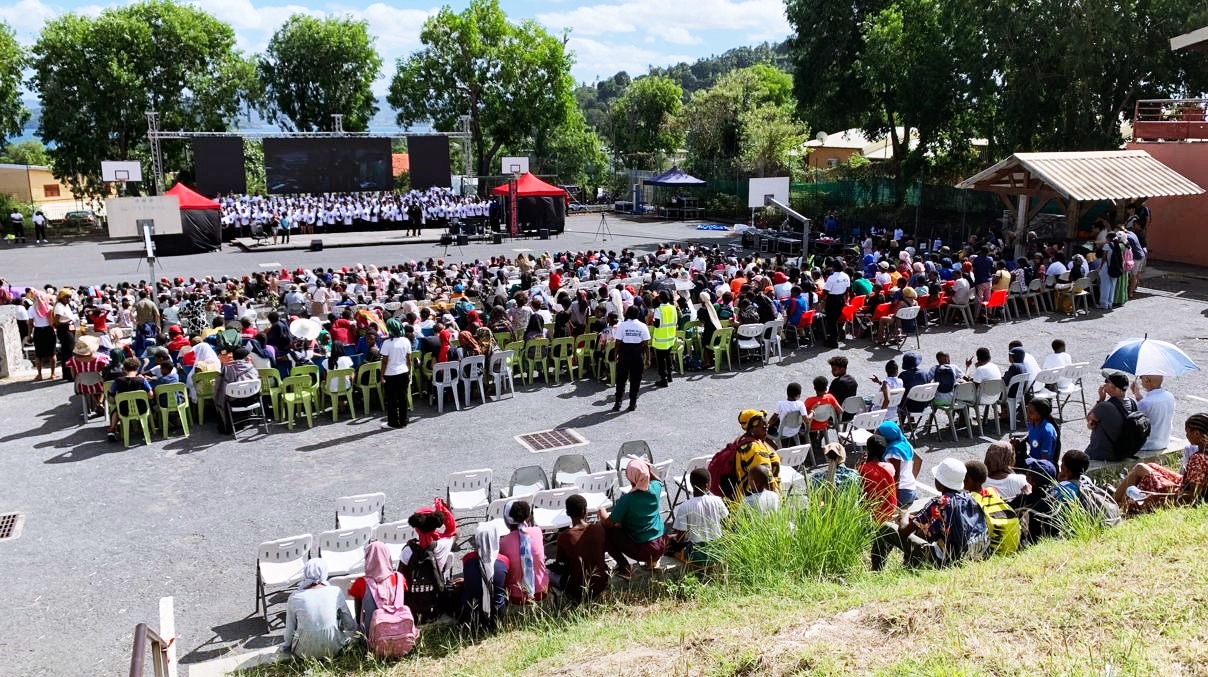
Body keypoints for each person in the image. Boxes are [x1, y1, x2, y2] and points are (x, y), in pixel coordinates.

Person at [871, 458, 989, 569]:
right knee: (920, 529)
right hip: (970, 556)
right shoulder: (970, 499)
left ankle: (876, 570)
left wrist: (905, 514)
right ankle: (908, 566)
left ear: (941, 482)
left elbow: (903, 532)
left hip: (945, 561)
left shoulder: (939, 502)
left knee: (887, 528)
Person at [1113, 413, 1208, 510]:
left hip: (1177, 493)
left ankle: (1117, 505)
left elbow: (1193, 495)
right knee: (1151, 465)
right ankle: (1117, 499)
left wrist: (1159, 495)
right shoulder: (1204, 453)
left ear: (1197, 433)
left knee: (1139, 468)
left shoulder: (1199, 459)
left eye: (1188, 432)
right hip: (1182, 484)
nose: (1186, 435)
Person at [599, 458, 666, 579]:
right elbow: (659, 480)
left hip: (644, 550)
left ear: (630, 478)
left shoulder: (628, 500)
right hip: (661, 545)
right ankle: (652, 561)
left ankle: (624, 567)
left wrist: (601, 510)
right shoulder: (655, 488)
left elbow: (608, 523)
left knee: (607, 531)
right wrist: (647, 470)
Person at [281, 559, 355, 659]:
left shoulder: (295, 597)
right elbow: (349, 625)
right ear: (324, 573)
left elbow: (290, 629)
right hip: (335, 649)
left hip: (303, 653)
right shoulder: (335, 591)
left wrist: (286, 646)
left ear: (305, 573)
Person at [552, 494, 608, 603]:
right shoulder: (599, 529)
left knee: (547, 573)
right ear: (585, 511)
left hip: (577, 590)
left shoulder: (564, 536)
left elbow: (560, 563)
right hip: (601, 584)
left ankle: (559, 601)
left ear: (567, 513)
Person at [670, 468, 729, 564]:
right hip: (718, 552)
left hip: (697, 555)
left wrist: (673, 541)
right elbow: (726, 524)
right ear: (708, 485)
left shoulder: (684, 506)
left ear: (691, 484)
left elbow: (680, 538)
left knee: (670, 544)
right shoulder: (718, 500)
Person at [964, 460, 1021, 555]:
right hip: (1011, 550)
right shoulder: (993, 491)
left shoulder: (969, 499)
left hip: (988, 552)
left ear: (968, 479)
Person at [350, 541, 407, 633]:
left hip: (373, 634)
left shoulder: (360, 583)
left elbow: (358, 617)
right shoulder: (400, 578)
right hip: (399, 630)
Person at [499, 499, 549, 604]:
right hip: (542, 591)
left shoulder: (503, 542)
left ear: (507, 520)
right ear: (528, 517)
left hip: (516, 597)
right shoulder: (537, 531)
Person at [458, 528, 509, 629]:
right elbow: (503, 583)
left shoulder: (468, 558)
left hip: (472, 614)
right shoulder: (504, 560)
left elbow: (476, 577)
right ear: (496, 540)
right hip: (498, 615)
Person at [1086, 373, 1136, 462]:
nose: (1104, 384)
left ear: (1114, 387)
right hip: (1122, 452)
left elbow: (1089, 421)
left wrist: (1101, 399)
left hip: (1101, 453)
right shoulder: (1132, 403)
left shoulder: (1104, 406)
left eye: (1107, 382)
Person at [213, 346, 260, 435]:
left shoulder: (227, 369)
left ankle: (227, 424)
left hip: (235, 402)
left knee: (221, 396)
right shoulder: (251, 368)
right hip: (253, 399)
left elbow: (220, 390)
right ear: (245, 357)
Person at [734, 409, 781, 495]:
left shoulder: (748, 439)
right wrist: (775, 499)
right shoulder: (754, 449)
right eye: (763, 428)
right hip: (757, 500)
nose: (766, 431)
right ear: (752, 429)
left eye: (767, 427)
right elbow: (765, 479)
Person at [612, 305, 650, 412]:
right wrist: (648, 358)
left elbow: (618, 343)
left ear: (627, 313)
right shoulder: (643, 326)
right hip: (638, 355)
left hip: (625, 354)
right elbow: (646, 344)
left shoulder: (622, 326)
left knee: (621, 379)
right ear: (638, 314)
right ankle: (632, 403)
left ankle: (618, 402)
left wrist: (615, 355)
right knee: (636, 380)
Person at [106, 357, 152, 442]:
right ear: (137, 368)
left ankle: (112, 430)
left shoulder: (118, 381)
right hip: (142, 409)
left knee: (115, 411)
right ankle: (145, 428)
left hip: (124, 410)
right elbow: (150, 396)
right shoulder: (142, 380)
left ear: (124, 369)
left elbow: (111, 393)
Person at [878, 420, 919, 507]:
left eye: (879, 433)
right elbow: (919, 460)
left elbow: (895, 478)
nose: (876, 433)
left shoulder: (894, 452)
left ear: (887, 437)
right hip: (911, 489)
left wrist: (893, 501)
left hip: (902, 493)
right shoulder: (904, 443)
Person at [858, 433, 898, 525]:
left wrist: (860, 464)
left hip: (871, 515)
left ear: (868, 450)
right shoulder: (889, 467)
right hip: (889, 511)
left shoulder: (862, 468)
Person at [380, 318, 412, 429]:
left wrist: (381, 375)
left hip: (390, 374)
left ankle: (393, 422)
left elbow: (384, 361)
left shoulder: (387, 343)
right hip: (403, 372)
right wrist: (409, 371)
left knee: (392, 400)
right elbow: (409, 359)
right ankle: (404, 420)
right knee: (403, 398)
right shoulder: (406, 341)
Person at [67, 335, 110, 415]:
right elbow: (105, 372)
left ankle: (97, 402)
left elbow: (73, 375)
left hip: (82, 386)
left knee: (89, 384)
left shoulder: (73, 360)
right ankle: (100, 402)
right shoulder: (101, 359)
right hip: (99, 385)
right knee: (101, 383)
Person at [1133, 374, 1176, 453]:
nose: (1140, 380)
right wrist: (1138, 395)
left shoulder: (1145, 403)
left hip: (1148, 445)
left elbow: (1134, 423)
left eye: (1141, 377)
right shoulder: (1170, 396)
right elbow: (1151, 408)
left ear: (1147, 380)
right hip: (1164, 442)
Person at [803, 376, 842, 463]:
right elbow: (840, 410)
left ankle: (811, 445)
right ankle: (818, 441)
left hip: (811, 426)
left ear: (814, 388)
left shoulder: (809, 400)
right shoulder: (830, 397)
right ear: (826, 388)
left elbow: (803, 415)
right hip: (824, 424)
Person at [650, 291, 677, 388]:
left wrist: (653, 321)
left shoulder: (658, 309)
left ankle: (663, 379)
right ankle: (669, 376)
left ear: (660, 298)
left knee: (661, 360)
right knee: (668, 356)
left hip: (661, 338)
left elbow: (657, 324)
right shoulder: (673, 308)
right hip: (670, 336)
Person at [768, 382, 809, 446]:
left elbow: (774, 418)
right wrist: (812, 413)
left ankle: (776, 449)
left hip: (782, 432)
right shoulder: (801, 404)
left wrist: (768, 426)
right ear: (798, 395)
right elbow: (806, 419)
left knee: (766, 435)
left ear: (787, 393)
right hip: (795, 431)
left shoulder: (781, 404)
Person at [821, 260, 850, 348]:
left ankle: (833, 341)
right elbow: (848, 289)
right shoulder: (846, 276)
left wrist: (821, 299)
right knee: (835, 320)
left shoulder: (831, 278)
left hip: (832, 300)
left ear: (833, 267)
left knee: (831, 321)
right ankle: (834, 338)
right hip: (841, 299)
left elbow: (825, 291)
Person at [1025, 399, 1060, 464]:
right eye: (1027, 411)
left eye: (1031, 412)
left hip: (1042, 466)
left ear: (1040, 414)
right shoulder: (1032, 423)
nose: (1027, 415)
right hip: (1032, 459)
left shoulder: (1046, 431)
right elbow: (1033, 437)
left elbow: (1044, 459)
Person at [827, 355, 858, 420]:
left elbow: (828, 399)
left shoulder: (837, 382)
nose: (832, 371)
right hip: (850, 414)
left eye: (834, 369)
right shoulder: (852, 380)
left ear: (842, 369)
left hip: (839, 415)